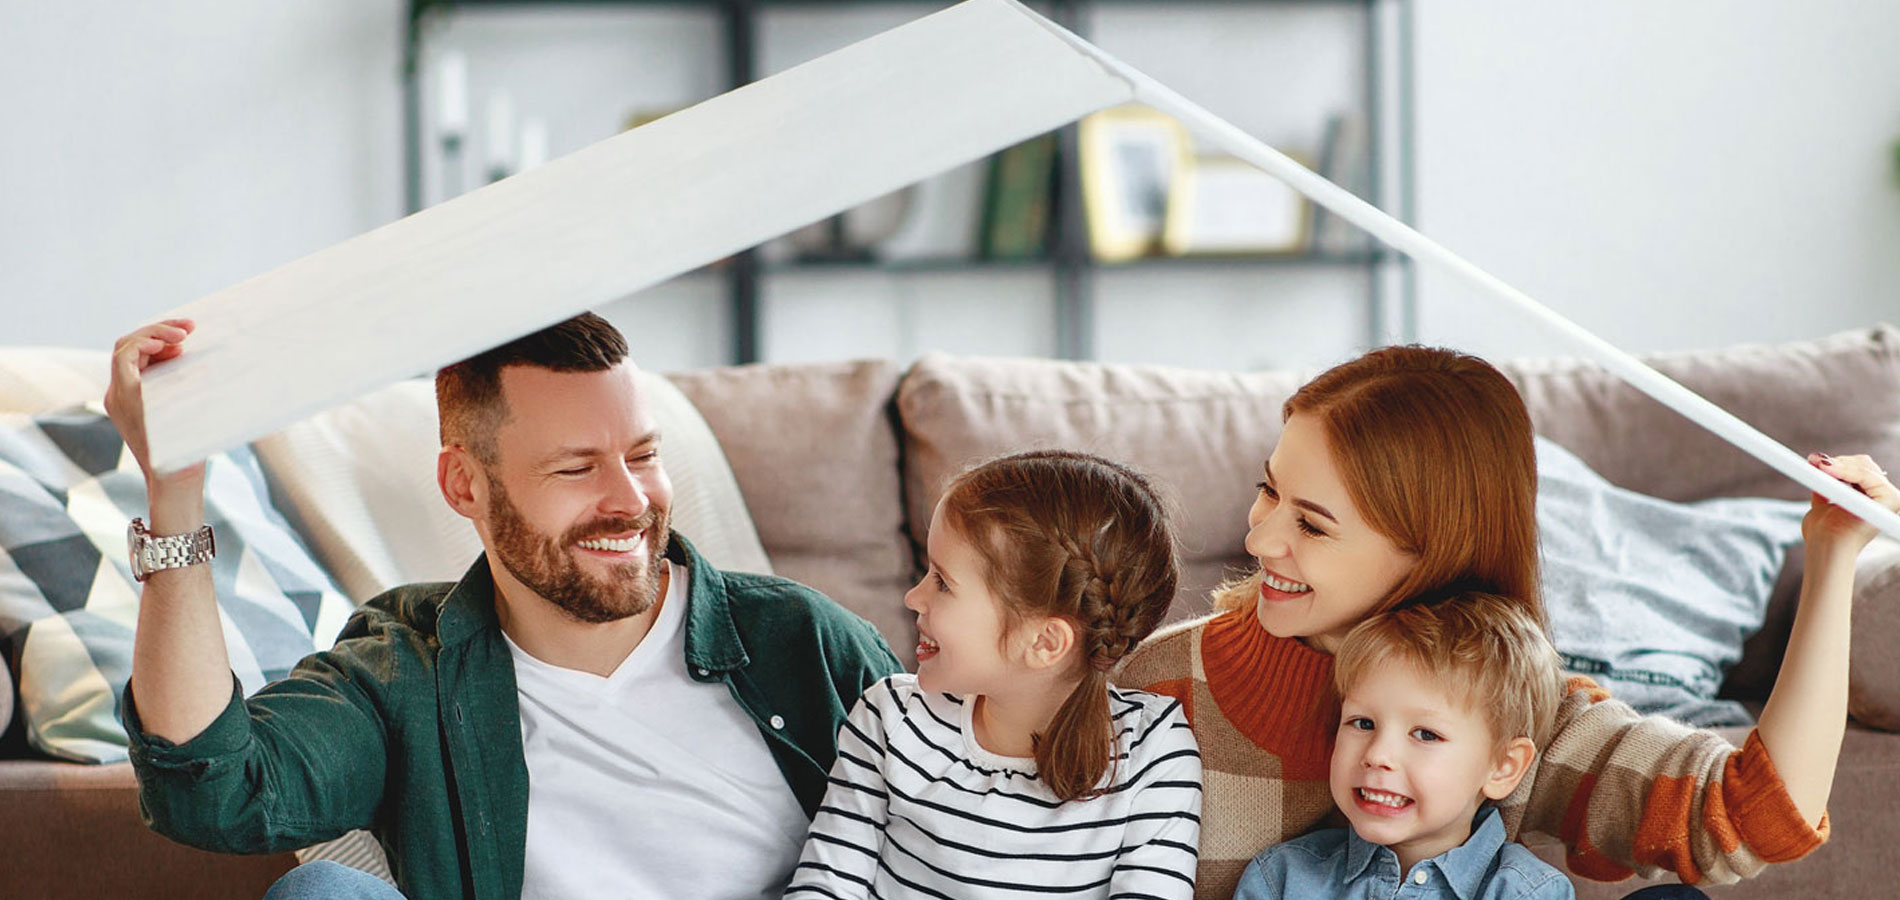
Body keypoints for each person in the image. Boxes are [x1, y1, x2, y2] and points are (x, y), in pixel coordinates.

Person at [105, 313, 902, 900]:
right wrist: (173, 490)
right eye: (576, 469)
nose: (630, 502)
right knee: (323, 897)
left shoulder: (801, 640)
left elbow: (971, 817)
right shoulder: (406, 668)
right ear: (464, 486)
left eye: (644, 456)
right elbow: (210, 794)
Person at [1113, 345, 1896, 899]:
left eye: (1312, 525)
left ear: (1429, 552)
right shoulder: (1152, 683)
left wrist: (1831, 558)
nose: (1259, 539)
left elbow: (1757, 816)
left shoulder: (1516, 715)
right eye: (1267, 490)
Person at [784, 451, 1203, 898]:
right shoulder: (889, 718)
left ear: (1043, 643)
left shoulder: (1152, 750)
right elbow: (825, 886)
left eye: (943, 583)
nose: (912, 597)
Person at [1234, 593, 1573, 900]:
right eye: (1363, 723)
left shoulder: (1529, 893)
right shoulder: (1283, 877)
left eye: (1425, 734)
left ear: (1503, 766)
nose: (1377, 755)